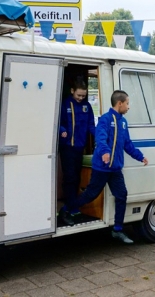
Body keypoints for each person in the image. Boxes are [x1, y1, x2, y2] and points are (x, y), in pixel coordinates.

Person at [59, 90, 148, 244]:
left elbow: (127, 144)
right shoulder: (105, 120)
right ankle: (66, 209)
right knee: (90, 195)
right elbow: (101, 139)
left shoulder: (123, 122)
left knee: (121, 196)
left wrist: (140, 157)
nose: (129, 107)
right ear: (119, 103)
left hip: (115, 169)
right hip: (102, 168)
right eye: (127, 103)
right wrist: (105, 153)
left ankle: (117, 230)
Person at [59, 79, 96, 215]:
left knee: (77, 177)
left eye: (83, 96)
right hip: (67, 147)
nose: (81, 98)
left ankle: (73, 204)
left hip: (80, 147)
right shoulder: (65, 104)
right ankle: (69, 205)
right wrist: (62, 130)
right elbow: (58, 121)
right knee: (69, 177)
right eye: (78, 95)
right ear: (72, 91)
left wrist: (100, 136)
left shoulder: (87, 106)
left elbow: (91, 124)